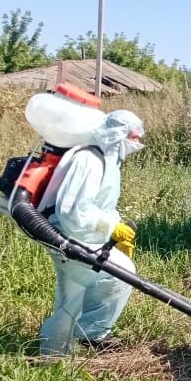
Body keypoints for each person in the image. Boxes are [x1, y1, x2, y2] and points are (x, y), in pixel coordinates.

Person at [37, 109, 145, 355]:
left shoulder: (107, 159)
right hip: (68, 236)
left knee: (72, 297)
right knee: (121, 274)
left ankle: (53, 354)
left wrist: (115, 235)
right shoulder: (89, 159)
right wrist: (109, 228)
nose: (136, 144)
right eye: (133, 137)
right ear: (117, 134)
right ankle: (91, 336)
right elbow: (73, 211)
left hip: (80, 236)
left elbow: (100, 204)